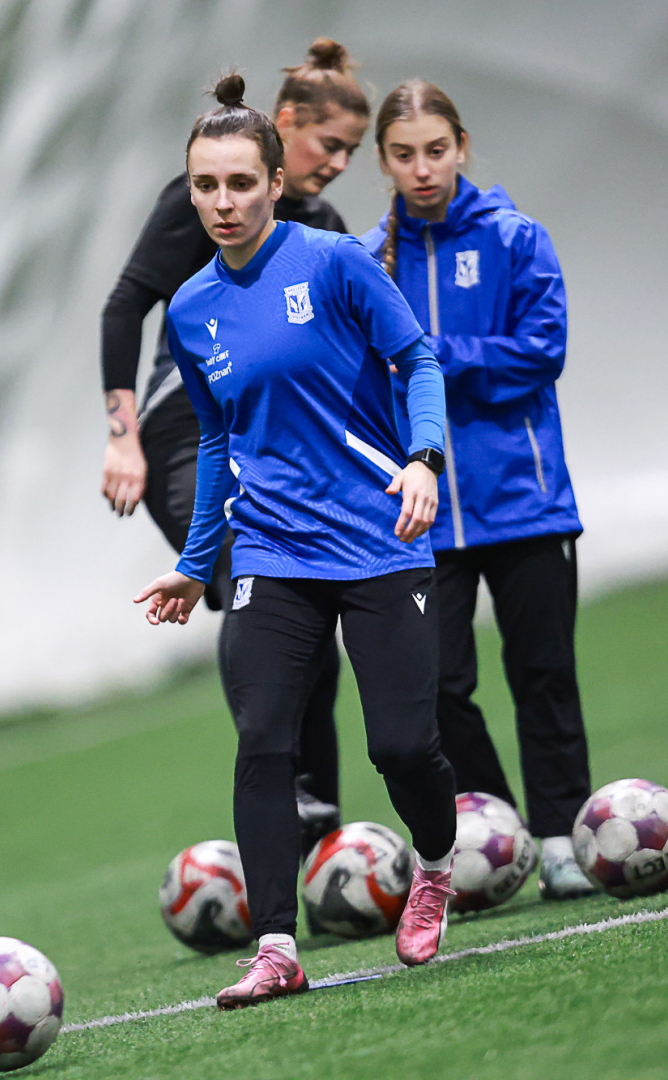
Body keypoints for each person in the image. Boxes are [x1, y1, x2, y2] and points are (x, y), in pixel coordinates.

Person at [136, 75, 459, 1008]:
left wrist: (425, 460)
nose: (223, 202)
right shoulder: (190, 309)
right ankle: (275, 945)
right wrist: (195, 565)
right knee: (263, 740)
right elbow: (218, 441)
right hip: (271, 549)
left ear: (276, 183)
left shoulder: (335, 263)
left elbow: (417, 360)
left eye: (241, 183)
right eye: (206, 185)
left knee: (402, 748)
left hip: (378, 534)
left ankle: (435, 866)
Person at [101, 40, 371, 851]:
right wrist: (121, 439)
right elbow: (125, 304)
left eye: (353, 151)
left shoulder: (325, 231)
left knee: (309, 613)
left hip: (279, 444)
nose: (339, 164)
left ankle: (317, 811)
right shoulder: (205, 199)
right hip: (184, 433)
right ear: (284, 127)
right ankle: (277, 783)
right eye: (329, 144)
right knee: (254, 585)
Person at [361, 82, 595, 898]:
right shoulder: (366, 261)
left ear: (461, 146)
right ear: (382, 161)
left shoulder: (514, 238)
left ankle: (562, 839)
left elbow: (542, 351)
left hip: (526, 500)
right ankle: (501, 830)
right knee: (436, 690)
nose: (422, 169)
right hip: (420, 516)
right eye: (404, 154)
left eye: (436, 150)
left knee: (543, 675)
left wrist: (431, 355)